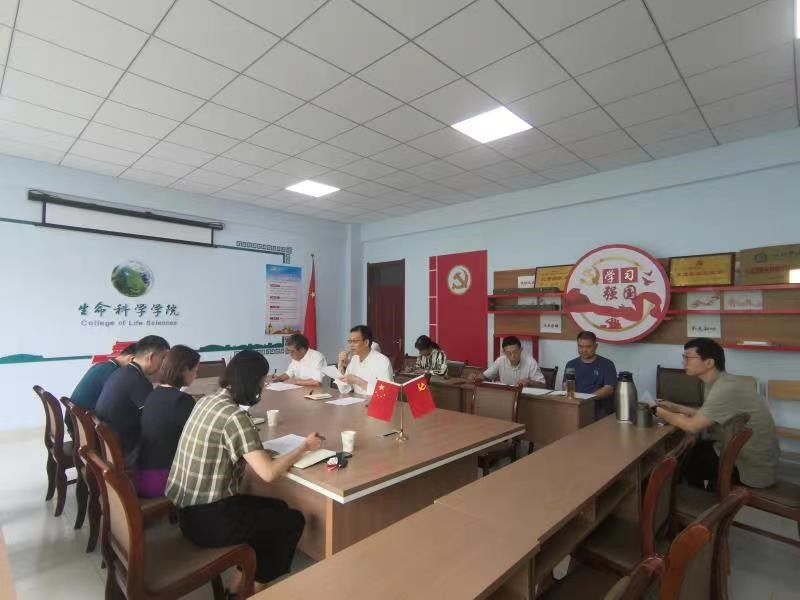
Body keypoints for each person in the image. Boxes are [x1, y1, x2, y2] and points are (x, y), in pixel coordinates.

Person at [166, 350, 322, 594]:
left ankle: (237, 586)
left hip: (186, 511)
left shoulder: (207, 400)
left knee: (278, 509)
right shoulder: (235, 416)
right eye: (262, 381)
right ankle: (253, 590)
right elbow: (268, 473)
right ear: (252, 382)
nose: (263, 386)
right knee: (292, 521)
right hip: (208, 519)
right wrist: (304, 447)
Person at [655, 338, 779, 490]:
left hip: (751, 466)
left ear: (709, 363)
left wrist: (655, 410)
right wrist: (675, 407)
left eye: (688, 357)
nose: (683, 362)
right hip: (746, 453)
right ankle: (705, 489)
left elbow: (693, 426)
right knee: (691, 451)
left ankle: (707, 497)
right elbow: (709, 414)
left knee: (687, 460)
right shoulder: (720, 382)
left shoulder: (724, 388)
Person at [95, 335, 170, 469]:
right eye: (163, 358)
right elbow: (156, 420)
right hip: (125, 451)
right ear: (150, 357)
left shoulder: (121, 372)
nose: (165, 363)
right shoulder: (138, 381)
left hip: (111, 444)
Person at [135, 345, 199, 498]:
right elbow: (199, 437)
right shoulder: (182, 401)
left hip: (141, 476)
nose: (196, 375)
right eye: (195, 370)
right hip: (162, 480)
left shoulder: (154, 393)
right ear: (184, 370)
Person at [66, 342, 137, 436]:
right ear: (132, 359)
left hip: (76, 425)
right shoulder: (115, 373)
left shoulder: (100, 365)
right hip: (86, 431)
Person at [564, 331, 617, 419]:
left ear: (596, 346)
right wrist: (573, 399)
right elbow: (566, 384)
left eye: (588, 347)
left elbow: (609, 388)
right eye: (580, 346)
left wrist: (588, 399)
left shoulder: (607, 364)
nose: (584, 350)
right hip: (576, 405)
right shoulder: (571, 364)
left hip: (599, 408)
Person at [335, 325, 393, 395]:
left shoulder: (382, 361)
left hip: (375, 401)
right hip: (357, 400)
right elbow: (344, 389)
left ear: (366, 342)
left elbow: (386, 392)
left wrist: (358, 381)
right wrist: (340, 365)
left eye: (355, 341)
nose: (351, 345)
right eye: (350, 341)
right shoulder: (354, 359)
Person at [471, 336, 545, 387]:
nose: (513, 356)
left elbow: (543, 385)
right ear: (504, 352)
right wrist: (476, 377)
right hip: (505, 396)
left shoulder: (531, 362)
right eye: (509, 353)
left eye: (515, 352)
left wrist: (529, 382)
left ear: (521, 350)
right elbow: (486, 376)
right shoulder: (500, 360)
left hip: (525, 398)